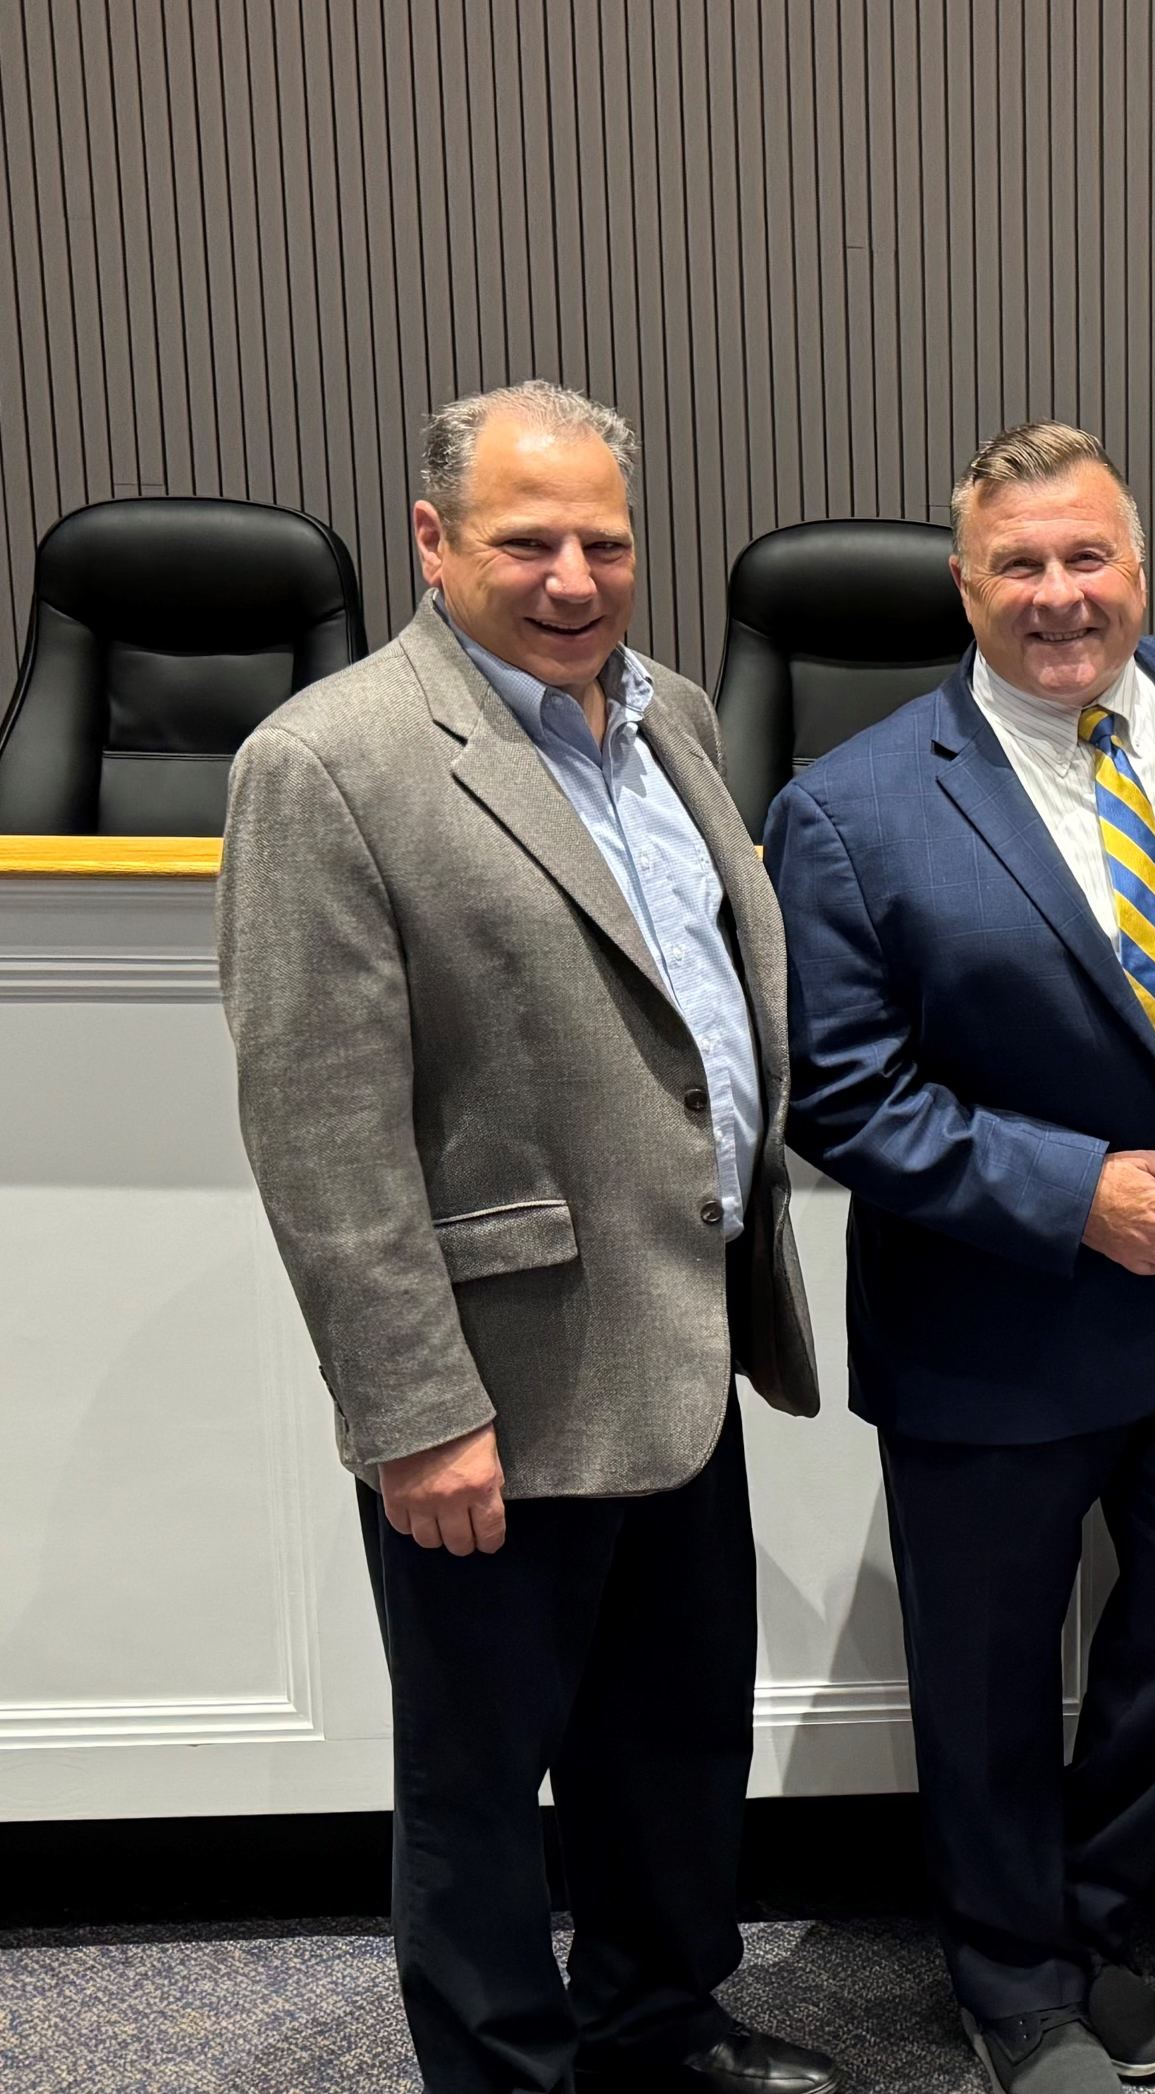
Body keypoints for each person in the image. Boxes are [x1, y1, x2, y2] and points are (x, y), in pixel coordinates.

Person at [217, 381, 841, 2094]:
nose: (574, 575)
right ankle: (501, 2068)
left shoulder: (677, 718)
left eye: (607, 540)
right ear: (433, 540)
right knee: (486, 1776)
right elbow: (322, 1132)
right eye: (527, 539)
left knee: (673, 1740)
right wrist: (415, 1407)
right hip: (497, 1379)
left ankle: (659, 2019)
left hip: (685, 1335)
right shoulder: (329, 761)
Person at [764, 423, 1155, 2094]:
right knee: (993, 1670)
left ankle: (1089, 1916)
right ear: (964, 586)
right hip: (1001, 1313)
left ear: (1139, 568)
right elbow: (847, 1097)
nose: (1057, 595)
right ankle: (1014, 1975)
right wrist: (1065, 1188)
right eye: (1017, 565)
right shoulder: (855, 807)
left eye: (1087, 557)